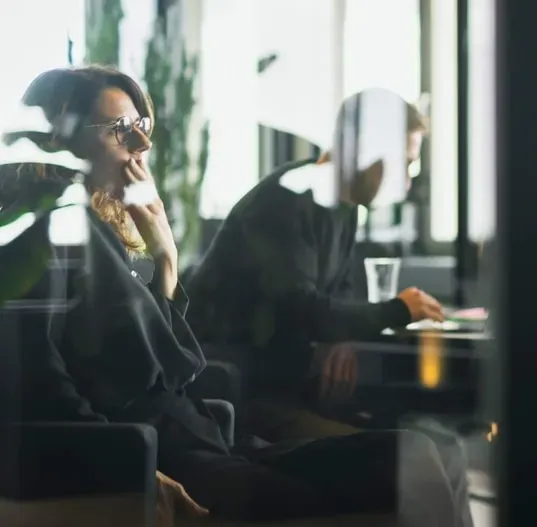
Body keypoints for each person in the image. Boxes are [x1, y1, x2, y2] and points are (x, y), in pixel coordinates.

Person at [4, 66, 472, 526]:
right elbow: (42, 386)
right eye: (119, 129)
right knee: (410, 464)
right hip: (180, 457)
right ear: (57, 141)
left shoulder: (111, 238)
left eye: (141, 125)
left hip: (211, 440)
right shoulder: (45, 240)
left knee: (426, 450)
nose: (143, 143)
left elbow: (176, 363)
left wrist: (165, 260)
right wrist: (131, 469)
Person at [185, 89, 446, 440]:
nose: (408, 180)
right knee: (415, 451)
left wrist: (339, 338)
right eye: (405, 163)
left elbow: (337, 288)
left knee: (438, 441)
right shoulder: (287, 201)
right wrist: (399, 310)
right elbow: (301, 309)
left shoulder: (344, 208)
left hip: (289, 387)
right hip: (241, 399)